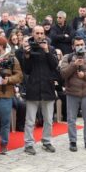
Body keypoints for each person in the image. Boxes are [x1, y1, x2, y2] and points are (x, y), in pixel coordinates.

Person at [17, 26, 59, 155]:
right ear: (33, 34)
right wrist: (27, 55)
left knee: (48, 119)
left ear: (44, 34)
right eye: (37, 33)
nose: (40, 35)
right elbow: (26, 70)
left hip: (48, 88)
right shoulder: (28, 48)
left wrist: (46, 51)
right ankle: (29, 144)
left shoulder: (50, 48)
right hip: (33, 88)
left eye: (42, 33)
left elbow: (54, 65)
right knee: (30, 120)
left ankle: (46, 141)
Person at [59, 37, 86, 152]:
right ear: (73, 47)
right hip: (72, 93)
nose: (80, 47)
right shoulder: (67, 58)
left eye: (81, 44)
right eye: (77, 45)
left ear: (85, 45)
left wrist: (85, 75)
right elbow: (63, 74)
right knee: (71, 120)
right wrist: (74, 65)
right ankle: (73, 141)